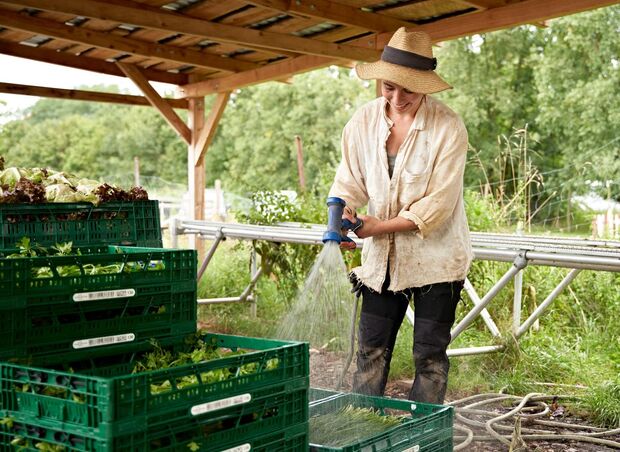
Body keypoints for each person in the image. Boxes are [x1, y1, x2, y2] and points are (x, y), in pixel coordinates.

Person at [328, 27, 472, 404]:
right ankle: (362, 427)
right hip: (381, 262)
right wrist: (341, 215)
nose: (397, 97)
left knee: (429, 357)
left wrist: (378, 226)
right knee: (370, 352)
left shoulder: (448, 127)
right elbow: (349, 180)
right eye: (389, 87)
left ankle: (424, 436)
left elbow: (438, 206)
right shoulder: (362, 122)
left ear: (426, 84)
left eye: (408, 89)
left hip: (436, 259)